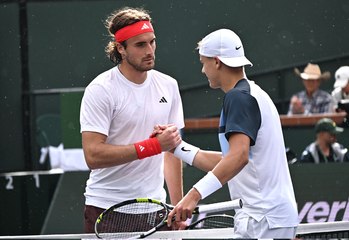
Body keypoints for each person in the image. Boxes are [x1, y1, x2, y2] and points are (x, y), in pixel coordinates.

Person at [163, 29, 298, 238]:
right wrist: (177, 147)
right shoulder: (253, 94)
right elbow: (232, 161)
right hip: (269, 218)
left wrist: (194, 194)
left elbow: (239, 158)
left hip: (262, 220)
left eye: (203, 62)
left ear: (217, 62)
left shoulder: (239, 98)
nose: (202, 70)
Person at [79, 7, 185, 233]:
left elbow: (172, 152)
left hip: (156, 210)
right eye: (140, 45)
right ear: (121, 48)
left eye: (152, 42)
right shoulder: (100, 90)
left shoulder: (169, 85)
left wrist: (178, 206)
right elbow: (93, 155)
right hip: (107, 209)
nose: (150, 50)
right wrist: (154, 146)